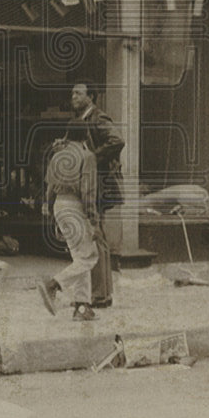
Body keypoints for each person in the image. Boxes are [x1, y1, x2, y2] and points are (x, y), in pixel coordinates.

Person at [66, 81, 124, 308]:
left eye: (79, 93)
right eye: (73, 92)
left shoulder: (98, 118)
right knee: (94, 237)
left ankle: (100, 295)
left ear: (91, 97)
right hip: (92, 184)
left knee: (96, 237)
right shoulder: (84, 120)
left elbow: (117, 140)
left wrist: (91, 158)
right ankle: (99, 293)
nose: (74, 96)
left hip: (100, 185)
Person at [38, 138, 100, 321]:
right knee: (90, 257)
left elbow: (49, 189)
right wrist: (92, 218)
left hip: (59, 204)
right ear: (85, 138)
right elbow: (88, 191)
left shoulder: (58, 156)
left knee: (79, 258)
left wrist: (52, 213)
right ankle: (54, 284)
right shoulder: (86, 156)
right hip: (76, 205)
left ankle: (82, 307)